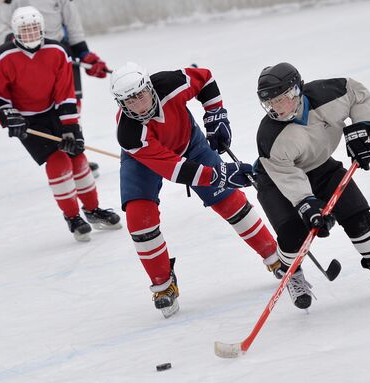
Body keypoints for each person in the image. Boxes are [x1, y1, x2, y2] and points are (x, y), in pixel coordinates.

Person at [109, 62, 281, 318]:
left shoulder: (170, 84)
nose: (139, 106)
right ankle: (163, 286)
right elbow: (177, 171)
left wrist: (216, 116)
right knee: (139, 220)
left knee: (228, 200)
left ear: (150, 87)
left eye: (141, 95)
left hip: (189, 142)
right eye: (129, 102)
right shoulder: (130, 134)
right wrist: (222, 174)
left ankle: (274, 256)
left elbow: (206, 80)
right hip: (144, 162)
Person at [253, 62, 370, 310]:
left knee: (358, 215)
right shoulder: (269, 136)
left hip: (322, 167)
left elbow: (358, 93)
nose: (275, 108)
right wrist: (307, 205)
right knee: (294, 234)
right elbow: (287, 176)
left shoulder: (328, 94)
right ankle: (291, 273)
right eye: (270, 103)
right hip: (276, 181)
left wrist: (361, 129)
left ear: (296, 91)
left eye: (280, 100)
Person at [0, 6, 121, 242]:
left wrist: (70, 127)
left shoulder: (57, 51)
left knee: (77, 157)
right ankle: (72, 217)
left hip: (54, 113)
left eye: (34, 30)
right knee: (58, 162)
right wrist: (7, 114)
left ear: (42, 29)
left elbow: (65, 92)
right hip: (27, 120)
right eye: (24, 31)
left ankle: (92, 210)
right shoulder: (4, 56)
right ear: (15, 32)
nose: (30, 35)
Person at [0, 0, 110, 178]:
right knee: (44, 109)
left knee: (70, 108)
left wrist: (86, 56)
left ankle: (73, 153)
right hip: (28, 57)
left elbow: (73, 28)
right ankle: (61, 159)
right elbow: (5, 29)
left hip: (59, 54)